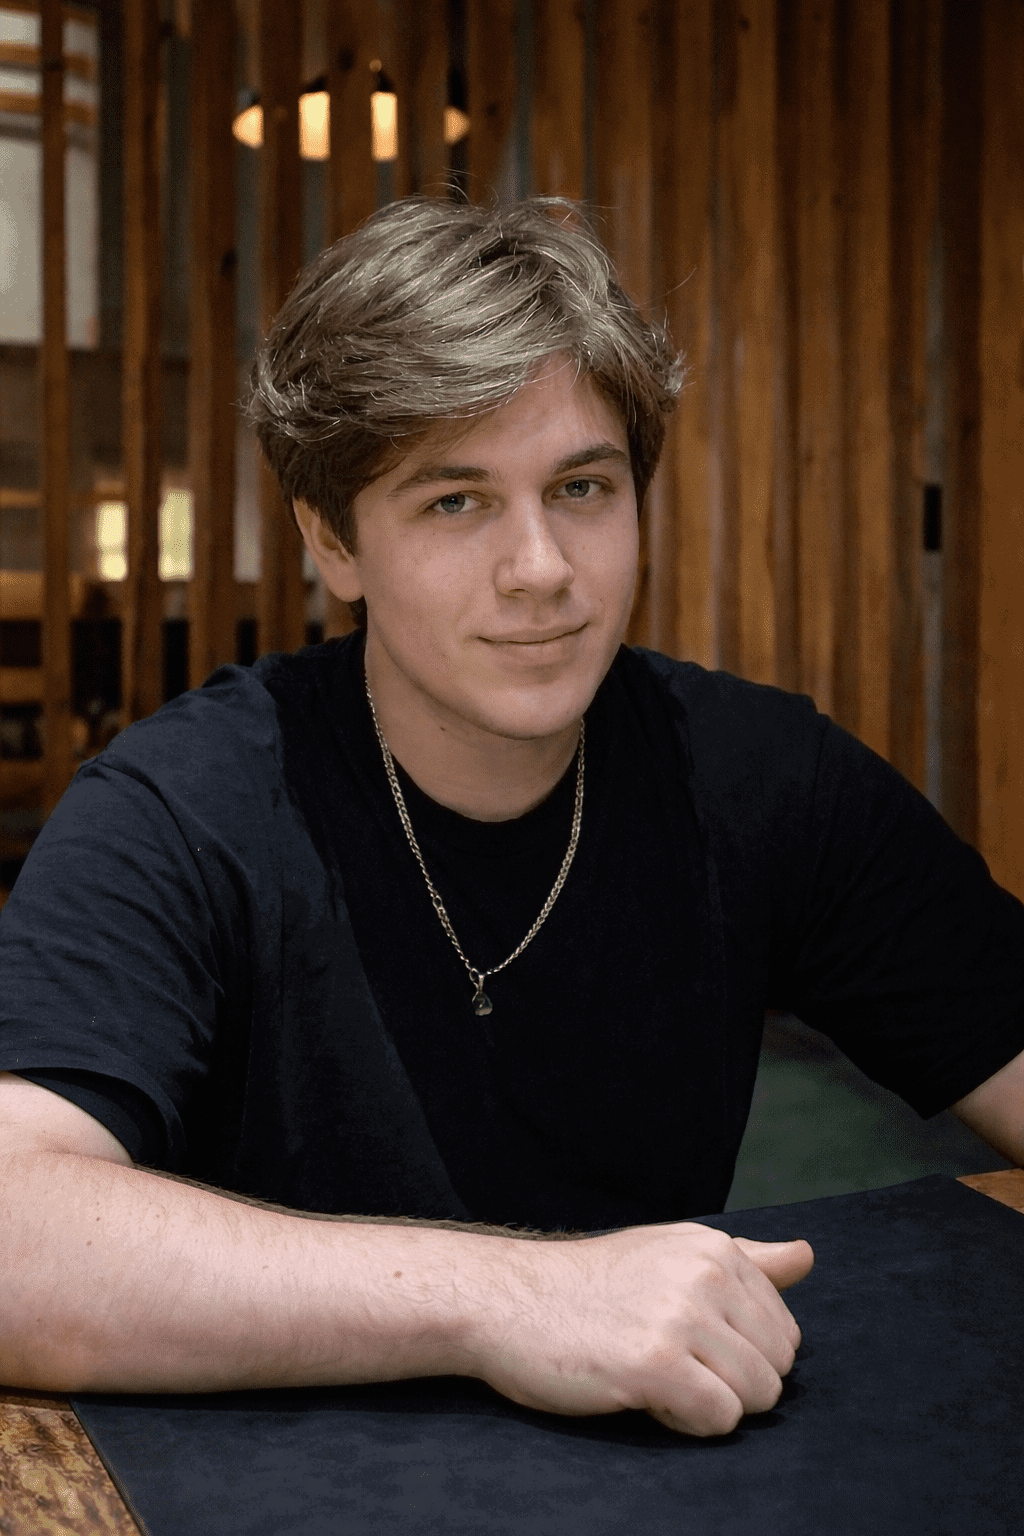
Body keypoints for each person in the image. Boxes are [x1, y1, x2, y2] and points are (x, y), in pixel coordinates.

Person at [1, 195, 1021, 1439]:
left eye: (582, 487)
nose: (540, 568)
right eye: (455, 501)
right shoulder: (187, 806)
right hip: (264, 1489)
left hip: (669, 1480)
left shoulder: (760, 776)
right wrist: (510, 1297)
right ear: (332, 540)